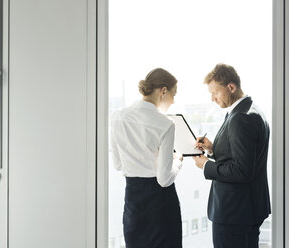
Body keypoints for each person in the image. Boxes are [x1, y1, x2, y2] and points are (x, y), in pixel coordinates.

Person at [193, 63, 271, 248]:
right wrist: (213, 149)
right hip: (248, 208)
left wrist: (205, 164)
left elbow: (242, 171)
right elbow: (243, 156)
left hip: (234, 212)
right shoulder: (250, 109)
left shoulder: (240, 118)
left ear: (231, 87)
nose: (212, 99)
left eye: (215, 92)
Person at [110, 68, 183, 248]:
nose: (173, 101)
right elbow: (164, 179)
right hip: (161, 205)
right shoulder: (166, 124)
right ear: (163, 91)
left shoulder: (117, 117)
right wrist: (178, 161)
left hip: (133, 203)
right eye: (173, 95)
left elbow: (118, 164)